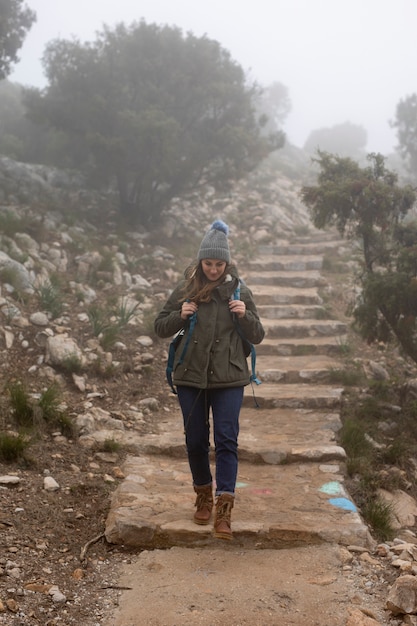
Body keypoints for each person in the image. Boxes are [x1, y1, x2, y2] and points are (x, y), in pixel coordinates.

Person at [154, 219, 265, 540]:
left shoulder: (240, 290)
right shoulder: (187, 289)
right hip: (190, 376)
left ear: (227, 263)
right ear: (200, 261)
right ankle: (203, 497)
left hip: (229, 378)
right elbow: (160, 326)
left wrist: (244, 315)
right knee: (195, 440)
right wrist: (181, 314)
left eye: (219, 264)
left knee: (227, 441)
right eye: (208, 263)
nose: (213, 270)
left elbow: (258, 335)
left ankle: (225, 509)